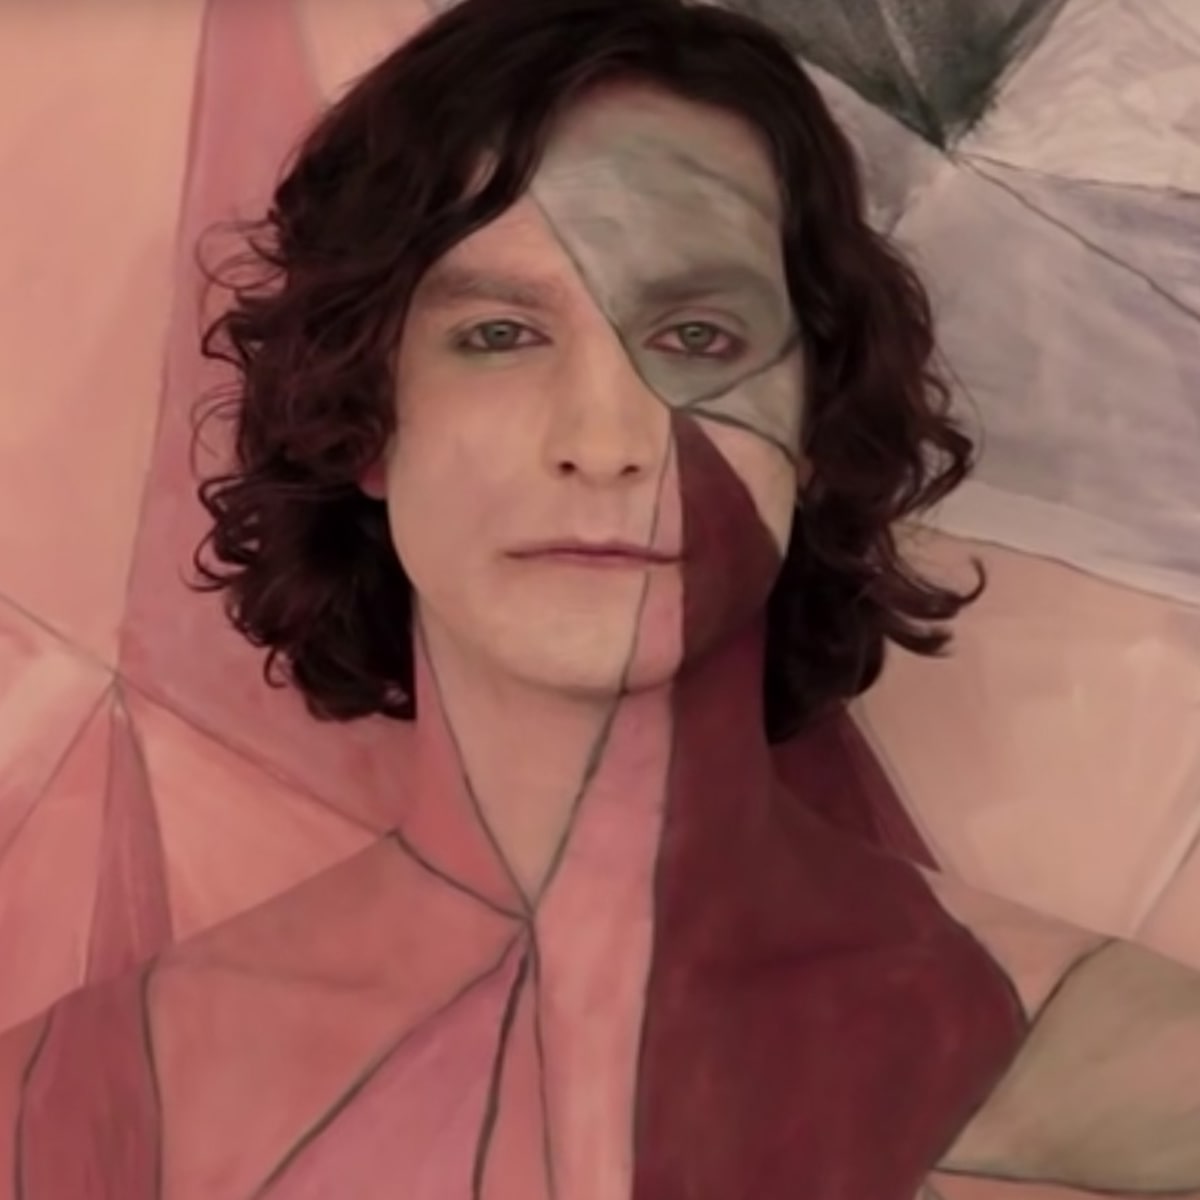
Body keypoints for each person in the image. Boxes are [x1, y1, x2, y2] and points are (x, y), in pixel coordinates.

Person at [3, 0, 1200, 1196]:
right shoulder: (78, 1115)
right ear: (362, 415)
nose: (608, 436)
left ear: (813, 424)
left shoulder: (1142, 1086)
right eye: (500, 333)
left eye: (698, 334)